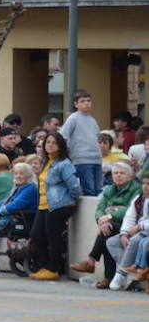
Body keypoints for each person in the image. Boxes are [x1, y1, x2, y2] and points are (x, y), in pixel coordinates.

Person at [71, 161, 139, 288]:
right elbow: (100, 207)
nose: (118, 175)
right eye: (116, 173)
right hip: (112, 224)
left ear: (130, 176)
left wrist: (110, 215)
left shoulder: (136, 189)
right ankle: (107, 277)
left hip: (129, 227)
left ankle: (92, 263)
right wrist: (101, 219)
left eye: (122, 173)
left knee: (107, 232)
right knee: (106, 232)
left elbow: (130, 209)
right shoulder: (111, 189)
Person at [28, 132, 81, 280]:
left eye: (54, 143)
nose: (50, 145)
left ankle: (53, 269)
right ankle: (45, 266)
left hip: (59, 206)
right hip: (44, 205)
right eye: (48, 142)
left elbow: (75, 187)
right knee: (36, 235)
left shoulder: (64, 164)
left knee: (53, 237)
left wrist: (67, 201)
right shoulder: (46, 161)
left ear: (60, 146)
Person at [60, 90, 103, 196]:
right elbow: (63, 136)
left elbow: (97, 139)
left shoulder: (93, 120)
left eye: (88, 101)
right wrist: (66, 155)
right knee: (89, 190)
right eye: (83, 101)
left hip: (96, 159)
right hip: (81, 160)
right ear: (76, 104)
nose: (86, 103)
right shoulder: (73, 118)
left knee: (98, 190)